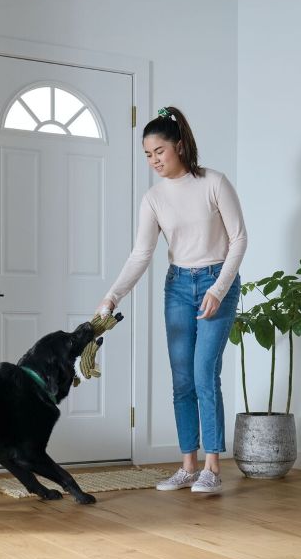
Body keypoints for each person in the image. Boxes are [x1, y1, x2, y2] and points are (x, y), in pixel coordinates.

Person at [96, 106, 247, 495]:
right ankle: (188, 465)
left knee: (203, 375)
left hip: (217, 280)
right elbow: (141, 255)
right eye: (147, 154)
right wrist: (112, 297)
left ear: (179, 146)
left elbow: (239, 239)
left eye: (159, 151)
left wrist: (218, 290)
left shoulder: (214, 182)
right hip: (178, 286)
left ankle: (213, 467)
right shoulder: (154, 199)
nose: (154, 161)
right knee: (181, 381)